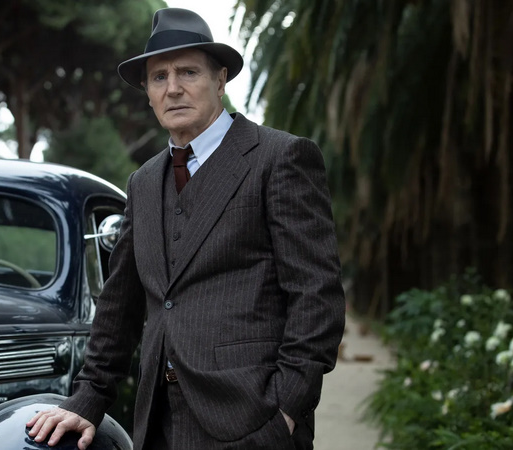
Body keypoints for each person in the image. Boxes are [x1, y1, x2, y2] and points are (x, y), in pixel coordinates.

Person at [27, 7, 345, 450]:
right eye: (159, 77)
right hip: (158, 421)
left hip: (253, 420)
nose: (173, 88)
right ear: (148, 93)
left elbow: (317, 296)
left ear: (220, 80)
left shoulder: (280, 158)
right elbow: (120, 303)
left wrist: (286, 411)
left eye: (188, 72)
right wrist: (88, 398)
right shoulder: (142, 182)